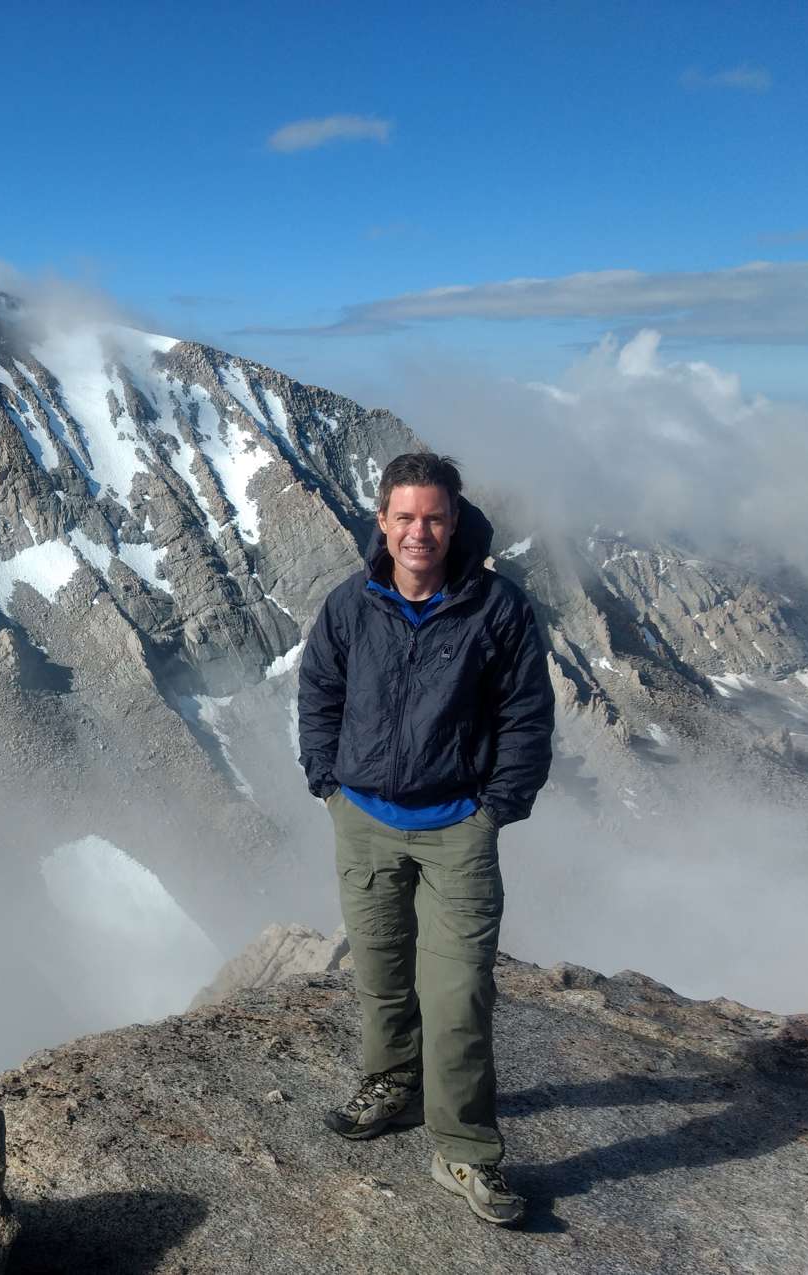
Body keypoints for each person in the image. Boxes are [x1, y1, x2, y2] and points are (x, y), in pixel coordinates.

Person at [296, 451, 554, 1226]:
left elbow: (526, 714)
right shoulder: (351, 605)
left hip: (457, 829)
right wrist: (328, 783)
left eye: (434, 517)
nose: (419, 532)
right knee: (380, 972)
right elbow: (320, 689)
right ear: (382, 521)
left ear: (455, 520)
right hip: (365, 821)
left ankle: (465, 1147)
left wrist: (495, 809)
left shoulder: (497, 609)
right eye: (405, 516)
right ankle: (393, 1082)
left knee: (458, 992)